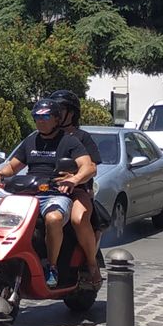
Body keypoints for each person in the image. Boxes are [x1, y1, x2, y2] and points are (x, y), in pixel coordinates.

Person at [0, 96, 98, 290]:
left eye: (46, 117)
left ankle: (52, 266)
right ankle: (9, 255)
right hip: (28, 193)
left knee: (54, 218)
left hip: (55, 193)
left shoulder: (70, 141)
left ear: (56, 119)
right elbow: (12, 167)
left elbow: (88, 167)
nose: (41, 121)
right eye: (37, 117)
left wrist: (72, 179)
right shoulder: (31, 140)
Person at [49, 89, 104, 290]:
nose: (54, 114)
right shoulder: (45, 136)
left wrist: (75, 179)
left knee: (78, 219)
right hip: (47, 190)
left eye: (60, 109)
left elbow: (92, 167)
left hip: (77, 190)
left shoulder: (82, 137)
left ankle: (91, 263)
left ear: (71, 113)